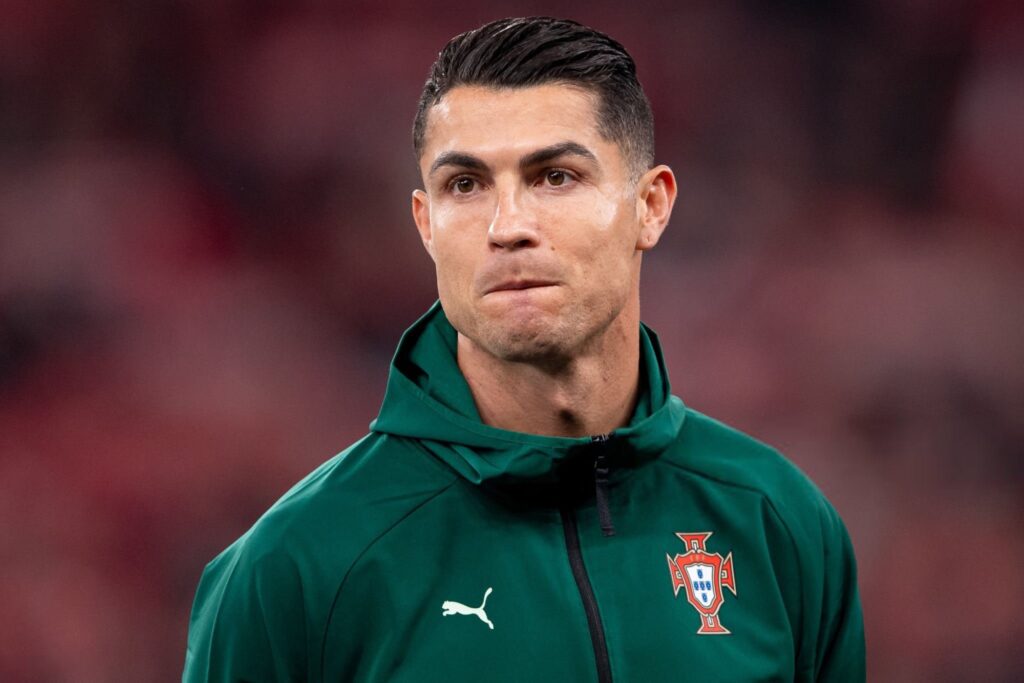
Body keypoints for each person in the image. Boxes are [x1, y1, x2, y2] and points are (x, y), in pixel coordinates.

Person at [183, 17, 865, 682]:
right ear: (425, 224)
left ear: (650, 206)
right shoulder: (296, 568)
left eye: (555, 176)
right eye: (465, 185)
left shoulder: (780, 524)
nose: (508, 226)